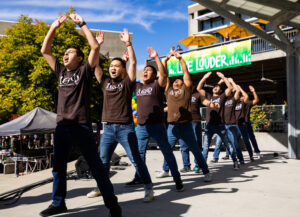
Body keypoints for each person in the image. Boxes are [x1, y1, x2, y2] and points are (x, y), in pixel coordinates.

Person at [40, 14, 121, 217]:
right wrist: (53, 27)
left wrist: (82, 24)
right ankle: (58, 203)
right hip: (62, 127)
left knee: (96, 167)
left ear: (79, 58)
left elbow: (94, 48)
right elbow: (45, 51)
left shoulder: (84, 72)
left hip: (81, 126)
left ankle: (112, 205)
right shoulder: (60, 72)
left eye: (70, 53)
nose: (66, 55)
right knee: (58, 168)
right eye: (65, 53)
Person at [90, 28, 155, 202]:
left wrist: (128, 43)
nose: (112, 68)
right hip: (108, 128)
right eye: (111, 66)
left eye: (116, 66)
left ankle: (149, 188)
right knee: (103, 161)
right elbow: (95, 65)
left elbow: (133, 63)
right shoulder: (104, 82)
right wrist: (97, 46)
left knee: (136, 160)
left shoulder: (127, 83)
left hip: (126, 128)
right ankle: (100, 187)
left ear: (122, 69)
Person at [125, 47, 184, 191]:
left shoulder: (157, 85)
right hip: (142, 126)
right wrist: (124, 60)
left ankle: (177, 179)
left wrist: (157, 58)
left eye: (148, 70)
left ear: (154, 74)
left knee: (167, 152)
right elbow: (128, 76)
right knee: (138, 155)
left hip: (157, 126)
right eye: (144, 70)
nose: (145, 72)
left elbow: (164, 75)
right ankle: (139, 177)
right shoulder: (137, 86)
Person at [158, 51, 212, 182]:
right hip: (172, 126)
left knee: (195, 150)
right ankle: (165, 170)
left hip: (186, 125)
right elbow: (164, 76)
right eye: (175, 79)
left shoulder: (186, 90)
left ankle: (206, 172)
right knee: (167, 149)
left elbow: (185, 73)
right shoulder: (168, 90)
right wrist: (165, 62)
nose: (177, 80)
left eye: (179, 79)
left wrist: (180, 60)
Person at [198, 71, 239, 169]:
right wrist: (204, 77)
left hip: (220, 125)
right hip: (209, 125)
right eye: (214, 87)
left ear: (220, 90)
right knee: (206, 146)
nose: (215, 87)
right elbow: (198, 88)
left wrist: (223, 77)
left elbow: (230, 88)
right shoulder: (208, 96)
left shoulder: (222, 97)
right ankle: (203, 166)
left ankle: (235, 161)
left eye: (217, 87)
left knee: (228, 144)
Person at [177, 83, 204, 173]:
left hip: (194, 122)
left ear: (193, 87)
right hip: (182, 122)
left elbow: (205, 99)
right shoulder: (180, 95)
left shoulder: (197, 95)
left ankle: (198, 165)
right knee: (183, 146)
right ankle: (186, 166)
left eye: (189, 86)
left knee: (196, 145)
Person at [245, 85, 262, 158]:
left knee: (251, 137)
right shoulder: (235, 102)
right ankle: (228, 154)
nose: (244, 98)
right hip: (237, 124)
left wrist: (253, 91)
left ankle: (257, 152)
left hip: (246, 123)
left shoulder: (248, 103)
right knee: (233, 138)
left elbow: (256, 100)